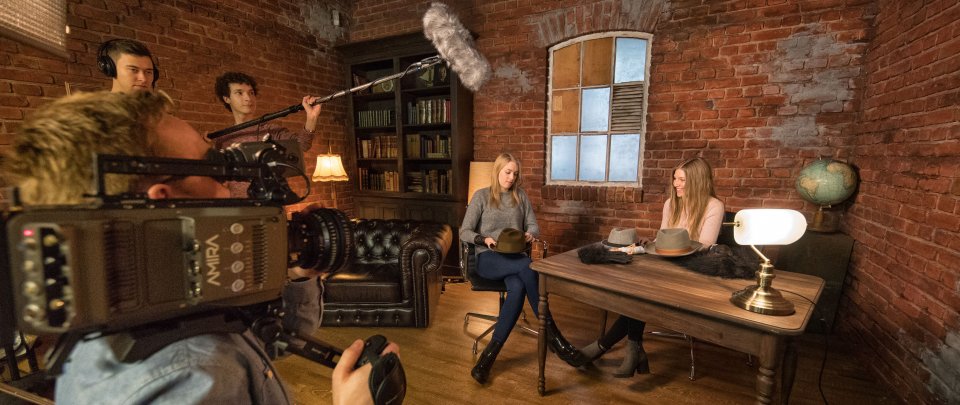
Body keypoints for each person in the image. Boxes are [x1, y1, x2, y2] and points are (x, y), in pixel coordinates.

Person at [2, 90, 396, 404]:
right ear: (163, 201)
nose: (228, 183)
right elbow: (212, 363)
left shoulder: (133, 314)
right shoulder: (186, 381)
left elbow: (254, 351)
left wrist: (294, 273)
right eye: (215, 167)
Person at [578, 157, 724, 377]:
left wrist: (672, 249)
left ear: (698, 180)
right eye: (675, 178)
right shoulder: (671, 203)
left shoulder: (714, 206)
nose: (676, 184)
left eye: (681, 179)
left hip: (692, 271)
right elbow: (664, 237)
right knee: (637, 290)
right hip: (666, 266)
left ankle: (603, 346)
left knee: (640, 294)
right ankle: (633, 349)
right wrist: (651, 245)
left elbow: (704, 246)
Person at [459, 153, 587, 385]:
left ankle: (487, 359)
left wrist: (531, 233)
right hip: (488, 258)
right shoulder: (481, 196)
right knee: (529, 268)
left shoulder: (520, 196)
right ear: (497, 170)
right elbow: (464, 231)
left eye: (515, 173)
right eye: (507, 172)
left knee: (517, 287)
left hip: (515, 258)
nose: (511, 177)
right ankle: (557, 340)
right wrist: (483, 239)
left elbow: (533, 225)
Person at [212, 71, 322, 198]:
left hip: (270, 204)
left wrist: (311, 117)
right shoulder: (223, 139)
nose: (248, 98)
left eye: (251, 92)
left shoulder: (271, 131)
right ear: (227, 99)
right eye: (239, 93)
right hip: (237, 208)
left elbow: (302, 145)